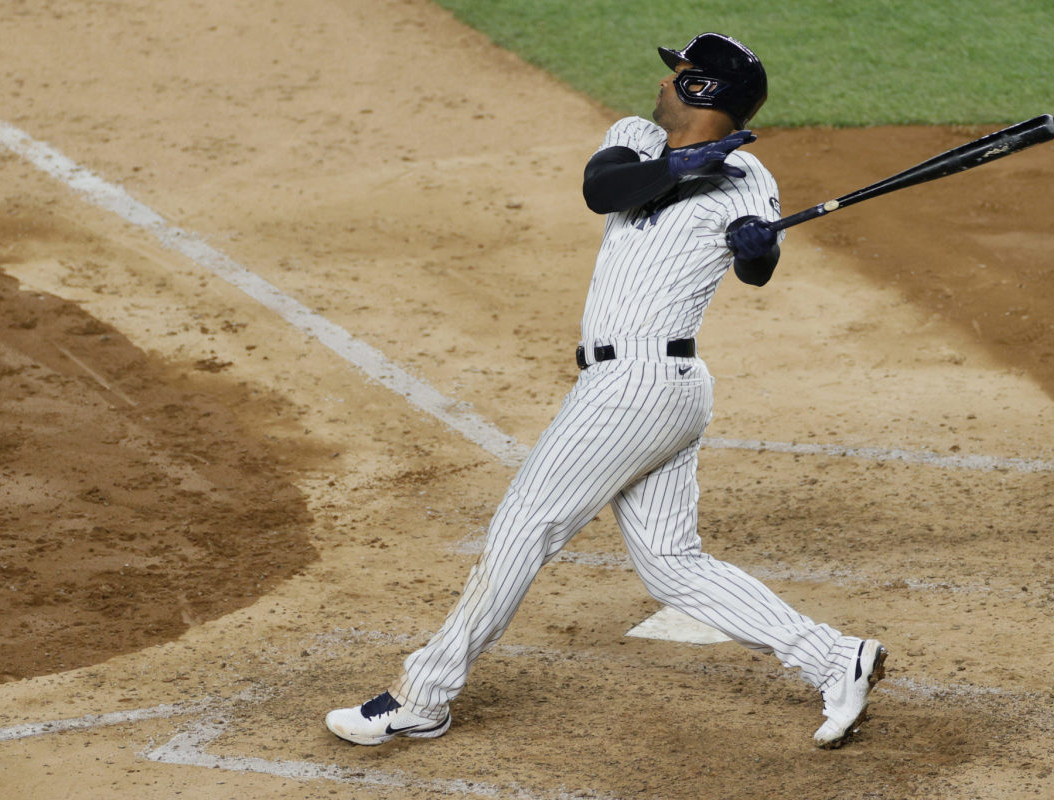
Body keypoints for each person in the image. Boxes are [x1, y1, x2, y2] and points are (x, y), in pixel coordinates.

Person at [326, 32, 887, 750]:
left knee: (522, 530)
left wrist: (759, 248)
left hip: (641, 388)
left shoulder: (747, 178)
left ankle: (423, 695)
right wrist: (684, 165)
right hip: (647, 390)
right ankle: (836, 658)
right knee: (674, 567)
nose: (662, 82)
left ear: (703, 91)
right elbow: (605, 189)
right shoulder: (635, 138)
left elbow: (757, 266)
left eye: (677, 73)